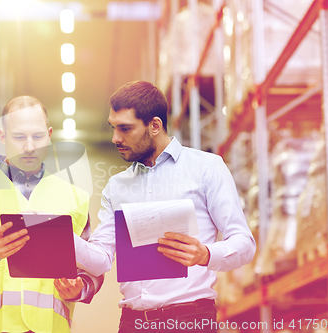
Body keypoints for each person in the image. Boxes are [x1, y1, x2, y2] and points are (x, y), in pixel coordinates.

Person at [74, 81, 256, 332]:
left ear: (155, 125)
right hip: (132, 323)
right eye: (114, 128)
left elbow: (245, 244)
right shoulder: (116, 186)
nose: (116, 138)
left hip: (190, 320)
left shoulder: (206, 168)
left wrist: (205, 254)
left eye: (126, 128)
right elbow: (102, 259)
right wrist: (64, 239)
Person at [0, 96, 103, 333]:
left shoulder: (75, 199)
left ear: (49, 135)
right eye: (19, 137)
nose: (29, 146)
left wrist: (80, 288)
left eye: (37, 137)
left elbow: (93, 268)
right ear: (3, 136)